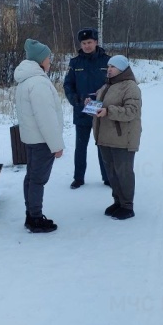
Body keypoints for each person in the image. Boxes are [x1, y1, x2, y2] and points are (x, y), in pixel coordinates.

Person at [14, 38, 65, 233]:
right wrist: (56, 145)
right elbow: (46, 118)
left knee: (32, 177)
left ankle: (31, 214)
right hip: (42, 140)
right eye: (48, 58)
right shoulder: (38, 83)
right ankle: (35, 218)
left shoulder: (26, 80)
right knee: (37, 179)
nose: (50, 61)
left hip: (32, 139)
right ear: (40, 60)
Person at [92, 54, 142, 220]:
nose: (109, 69)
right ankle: (117, 202)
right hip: (105, 137)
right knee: (112, 172)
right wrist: (91, 105)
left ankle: (127, 206)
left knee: (123, 172)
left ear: (122, 68)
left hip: (123, 138)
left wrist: (109, 111)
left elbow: (132, 111)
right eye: (108, 66)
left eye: (112, 66)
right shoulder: (107, 86)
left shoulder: (130, 86)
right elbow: (101, 105)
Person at [63, 27, 111, 189]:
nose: (87, 46)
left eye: (89, 42)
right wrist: (77, 100)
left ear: (96, 42)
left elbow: (115, 84)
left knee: (103, 145)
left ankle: (107, 178)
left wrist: (105, 95)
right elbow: (68, 85)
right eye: (84, 43)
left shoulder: (107, 61)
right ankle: (78, 178)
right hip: (82, 111)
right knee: (81, 147)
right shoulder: (75, 63)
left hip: (102, 111)